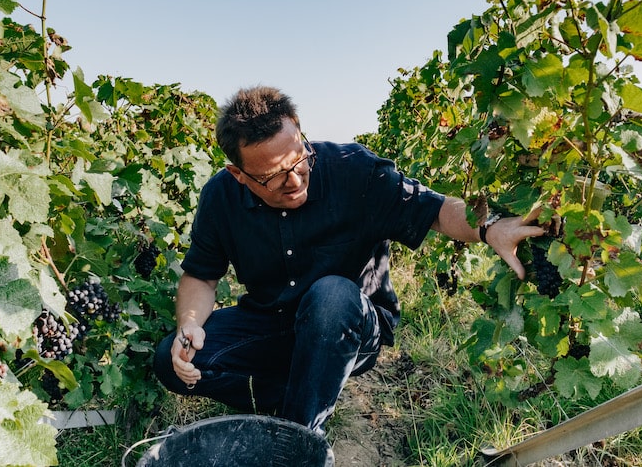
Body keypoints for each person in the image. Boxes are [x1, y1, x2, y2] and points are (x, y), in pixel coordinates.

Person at [153, 86, 544, 434]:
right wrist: (190, 326)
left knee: (332, 295)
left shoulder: (352, 169)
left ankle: (298, 441)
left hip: (350, 326)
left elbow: (435, 209)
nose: (294, 180)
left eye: (297, 159)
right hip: (272, 325)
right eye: (273, 176)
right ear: (239, 174)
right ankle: (302, 390)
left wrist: (489, 226)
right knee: (170, 362)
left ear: (299, 131)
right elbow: (201, 277)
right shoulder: (221, 196)